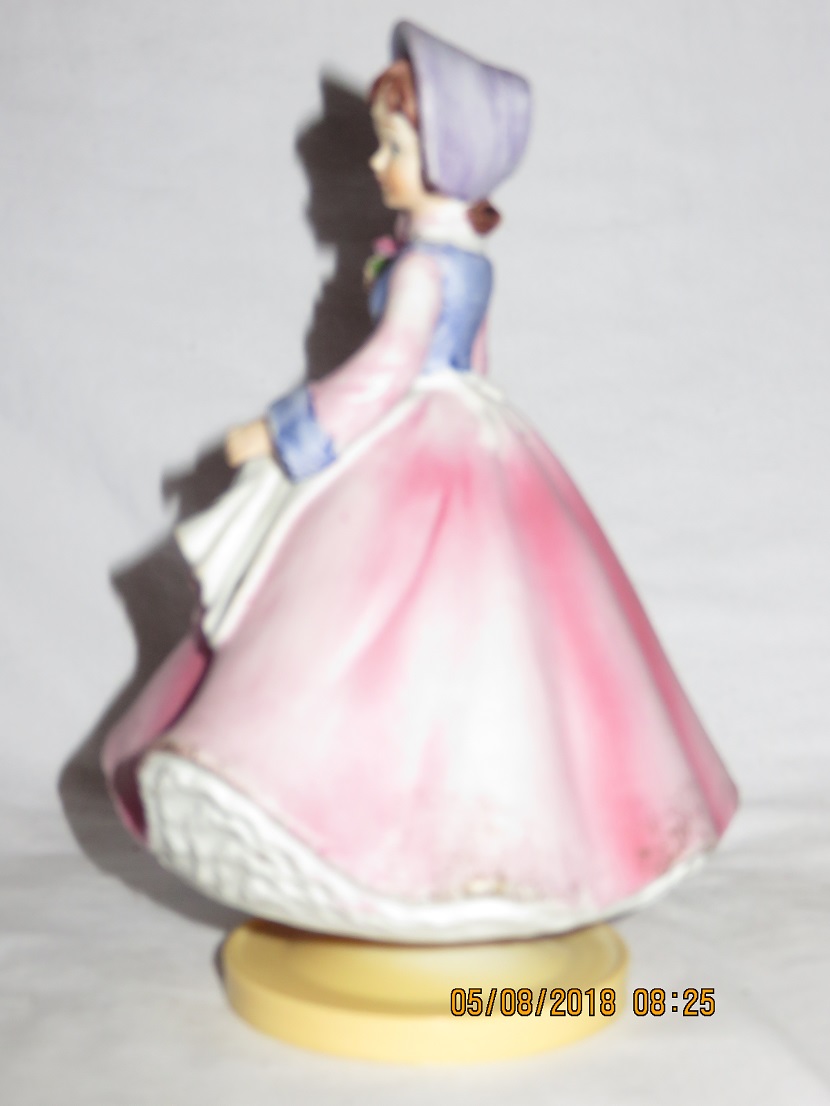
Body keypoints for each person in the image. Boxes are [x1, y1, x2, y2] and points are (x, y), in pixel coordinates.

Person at [102, 22, 738, 944]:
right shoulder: (465, 260)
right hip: (473, 431)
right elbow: (475, 364)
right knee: (491, 642)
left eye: (394, 148)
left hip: (416, 442)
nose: (377, 164)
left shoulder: (421, 270)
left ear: (449, 161)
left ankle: (387, 836)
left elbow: (381, 373)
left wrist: (279, 434)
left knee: (365, 627)